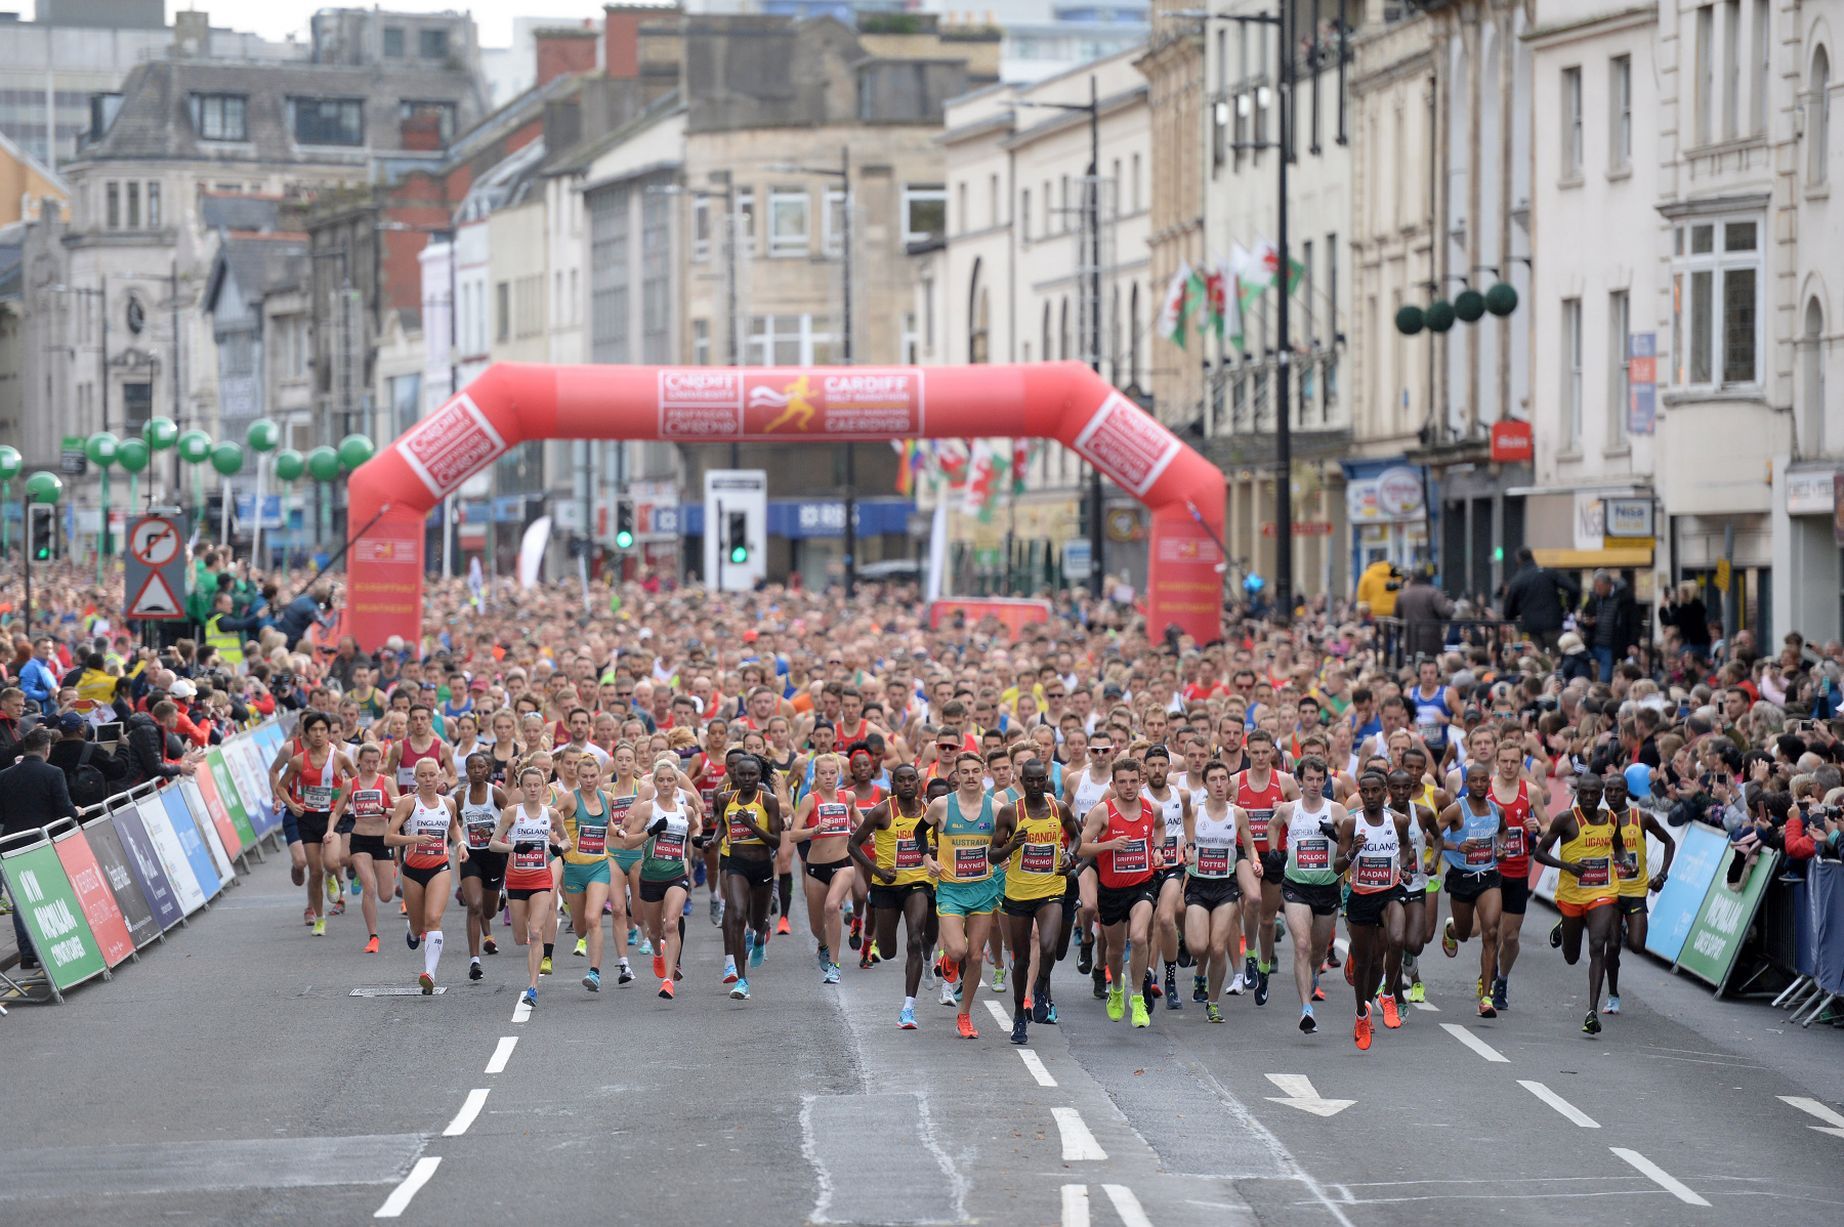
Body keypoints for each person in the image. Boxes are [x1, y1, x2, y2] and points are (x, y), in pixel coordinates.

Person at [991, 757, 1081, 1044]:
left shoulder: (1059, 808)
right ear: (1020, 780)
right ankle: (1019, 1013)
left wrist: (1070, 855)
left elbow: (1076, 836)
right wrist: (1010, 846)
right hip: (1018, 893)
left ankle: (1041, 985)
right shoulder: (1010, 812)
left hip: (1051, 888)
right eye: (1028, 780)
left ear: (1045, 779)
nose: (1034, 785)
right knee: (1021, 960)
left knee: (1048, 946)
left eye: (1039, 779)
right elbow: (991, 855)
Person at [915, 751, 1002, 1038]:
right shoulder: (941, 805)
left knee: (975, 957)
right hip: (951, 889)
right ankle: (949, 961)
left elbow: (1007, 839)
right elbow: (919, 831)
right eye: (965, 772)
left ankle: (964, 1015)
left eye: (975, 771)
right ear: (957, 777)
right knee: (957, 950)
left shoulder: (997, 808)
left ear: (983, 772)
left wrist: (1005, 856)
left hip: (983, 889)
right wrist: (927, 860)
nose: (971, 777)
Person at [1534, 772, 1624, 1035]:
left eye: (1593, 794)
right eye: (1583, 793)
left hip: (1603, 890)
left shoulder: (1611, 819)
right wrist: (1567, 866)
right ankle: (1564, 926)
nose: (1587, 798)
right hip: (1571, 894)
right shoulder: (1566, 819)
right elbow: (1539, 853)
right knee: (1572, 957)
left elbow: (1617, 847)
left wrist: (1624, 859)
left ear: (1602, 795)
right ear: (1577, 793)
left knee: (1598, 944)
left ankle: (1592, 1012)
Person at [1079, 755, 1161, 1029]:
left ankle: (1137, 996)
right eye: (1122, 782)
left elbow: (1160, 828)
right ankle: (1116, 989)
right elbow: (1080, 847)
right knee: (1115, 948)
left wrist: (1158, 850)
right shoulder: (1103, 811)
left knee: (1138, 937)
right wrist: (1108, 845)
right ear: (1113, 784)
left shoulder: (1151, 809)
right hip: (1111, 890)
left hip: (1142, 885)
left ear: (1141, 782)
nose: (1128, 787)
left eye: (1133, 781)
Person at [850, 763, 934, 1029]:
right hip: (885, 886)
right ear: (893, 785)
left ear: (919, 784)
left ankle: (908, 1007)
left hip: (918, 883)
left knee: (914, 940)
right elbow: (852, 844)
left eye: (912, 779)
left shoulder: (929, 812)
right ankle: (881, 947)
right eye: (902, 780)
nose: (907, 784)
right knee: (887, 951)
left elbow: (944, 841)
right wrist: (877, 871)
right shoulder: (882, 810)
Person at [1337, 771, 1416, 1048]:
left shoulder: (1399, 821)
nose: (1370, 797)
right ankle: (1361, 1012)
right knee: (1366, 961)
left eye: (1376, 791)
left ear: (1386, 792)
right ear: (1360, 792)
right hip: (1361, 895)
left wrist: (1402, 867)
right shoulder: (1351, 823)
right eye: (1365, 791)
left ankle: (1389, 996)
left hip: (1390, 891)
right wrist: (1352, 853)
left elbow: (1404, 846)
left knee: (1397, 940)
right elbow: (1337, 867)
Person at [1269, 756, 1347, 1035]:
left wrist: (1336, 837)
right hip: (1296, 886)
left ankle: (1313, 974)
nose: (1314, 784)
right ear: (1299, 781)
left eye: (1319, 779)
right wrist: (1275, 851)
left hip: (1327, 887)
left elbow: (1352, 843)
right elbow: (1273, 825)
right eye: (1309, 779)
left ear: (1325, 781)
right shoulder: (1290, 809)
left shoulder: (1337, 810)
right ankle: (1306, 1009)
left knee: (1315, 951)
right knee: (1301, 944)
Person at [619, 753, 702, 999]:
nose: (666, 784)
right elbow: (628, 843)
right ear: (654, 783)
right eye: (661, 780)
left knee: (672, 923)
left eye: (670, 780)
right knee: (654, 932)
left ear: (676, 782)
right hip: (651, 876)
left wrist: (696, 839)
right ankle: (657, 952)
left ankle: (668, 979)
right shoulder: (647, 808)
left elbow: (695, 822)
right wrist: (651, 832)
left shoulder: (685, 810)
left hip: (677, 873)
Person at [489, 765, 571, 1008]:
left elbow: (567, 841)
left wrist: (558, 849)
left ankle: (533, 987)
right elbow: (493, 844)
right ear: (521, 788)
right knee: (519, 936)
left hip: (540, 878)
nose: (533, 789)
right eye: (529, 785)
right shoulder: (512, 813)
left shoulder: (552, 814)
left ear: (544, 788)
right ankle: (507, 901)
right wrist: (515, 848)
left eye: (537, 785)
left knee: (536, 933)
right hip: (516, 879)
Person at [384, 757, 463, 994]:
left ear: (439, 777)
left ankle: (429, 973)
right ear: (415, 778)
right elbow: (389, 837)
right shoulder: (409, 804)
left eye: (432, 775)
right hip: (413, 870)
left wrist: (461, 845)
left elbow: (454, 827)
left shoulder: (448, 803)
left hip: (439, 867)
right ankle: (412, 930)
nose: (428, 780)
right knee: (419, 926)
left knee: (434, 919)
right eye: (423, 776)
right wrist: (414, 839)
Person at [0, 728, 76, 969]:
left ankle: (27, 953)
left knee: (21, 900)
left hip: (11, 842)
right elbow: (65, 808)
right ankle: (48, 948)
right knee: (47, 896)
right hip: (42, 842)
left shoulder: (4, 775)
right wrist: (76, 812)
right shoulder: (53, 772)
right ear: (47, 749)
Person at [1601, 771, 1676, 1015]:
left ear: (1626, 792)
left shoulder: (1641, 818)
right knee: (1612, 946)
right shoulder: (1599, 820)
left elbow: (1669, 842)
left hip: (1635, 892)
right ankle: (1612, 994)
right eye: (1609, 790)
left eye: (1618, 790)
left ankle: (1623, 928)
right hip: (1609, 893)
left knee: (1636, 945)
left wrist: (1662, 875)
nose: (1612, 794)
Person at [1436, 762, 1506, 1018]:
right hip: (1461, 878)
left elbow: (1503, 831)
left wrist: (1501, 847)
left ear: (1489, 782)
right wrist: (1457, 847)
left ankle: (1486, 997)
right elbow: (1434, 835)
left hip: (1489, 876)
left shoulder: (1496, 810)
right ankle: (1452, 929)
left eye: (1483, 780)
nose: (1478, 785)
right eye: (1473, 780)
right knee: (1465, 934)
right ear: (1467, 783)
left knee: (1491, 932)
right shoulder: (1457, 809)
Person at [783, 752, 859, 985]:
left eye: (832, 773)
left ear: (839, 774)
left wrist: (866, 834)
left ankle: (835, 966)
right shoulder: (809, 800)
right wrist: (814, 830)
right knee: (816, 926)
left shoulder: (848, 797)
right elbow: (794, 834)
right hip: (815, 867)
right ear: (815, 775)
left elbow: (863, 824)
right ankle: (824, 945)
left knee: (831, 907)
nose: (828, 777)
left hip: (843, 864)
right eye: (823, 773)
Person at [275, 712, 353, 936]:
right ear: (306, 733)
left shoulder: (339, 757)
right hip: (307, 818)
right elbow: (281, 787)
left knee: (331, 862)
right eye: (314, 730)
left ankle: (332, 876)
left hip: (332, 816)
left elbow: (357, 782)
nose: (318, 734)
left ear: (328, 732)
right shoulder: (298, 760)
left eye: (322, 730)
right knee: (315, 871)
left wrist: (347, 803)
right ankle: (320, 918)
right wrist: (291, 804)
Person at [1183, 759, 1247, 1023]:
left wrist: (1254, 862)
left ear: (1229, 783)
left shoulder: (1238, 814)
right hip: (1198, 884)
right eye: (1214, 779)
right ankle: (1200, 970)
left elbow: (1250, 845)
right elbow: (1185, 839)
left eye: (1224, 779)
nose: (1220, 784)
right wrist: (1187, 850)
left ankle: (1213, 1002)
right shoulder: (1195, 813)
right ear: (1205, 784)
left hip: (1225, 886)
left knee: (1218, 947)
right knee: (1199, 946)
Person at [713, 753, 781, 999]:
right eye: (742, 774)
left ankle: (760, 936)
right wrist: (712, 841)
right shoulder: (725, 798)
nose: (747, 778)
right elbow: (723, 824)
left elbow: (776, 841)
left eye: (752, 774)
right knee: (737, 914)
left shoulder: (768, 801)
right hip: (737, 865)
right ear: (735, 775)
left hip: (762, 866)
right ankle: (741, 981)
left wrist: (752, 826)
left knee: (757, 921)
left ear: (759, 774)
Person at [556, 754, 624, 991]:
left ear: (600, 776)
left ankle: (594, 972)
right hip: (574, 869)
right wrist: (560, 841)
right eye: (583, 776)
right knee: (580, 926)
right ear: (577, 777)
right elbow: (549, 819)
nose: (588, 780)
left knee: (593, 918)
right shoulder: (569, 799)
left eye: (592, 776)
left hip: (599, 866)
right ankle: (581, 936)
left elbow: (609, 825)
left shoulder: (608, 798)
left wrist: (619, 832)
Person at [1141, 744, 1192, 1010]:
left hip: (1173, 865)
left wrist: (1191, 844)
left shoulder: (1180, 795)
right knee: (1146, 927)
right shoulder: (1137, 797)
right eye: (1153, 765)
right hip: (1144, 868)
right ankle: (1147, 976)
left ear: (1169, 768)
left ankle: (1170, 980)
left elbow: (1188, 817)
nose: (1158, 770)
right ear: (1144, 768)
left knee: (1165, 918)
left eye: (1162, 765)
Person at [454, 751, 507, 979]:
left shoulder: (496, 794)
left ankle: (499, 895)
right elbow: (454, 823)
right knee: (474, 906)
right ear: (466, 771)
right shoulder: (459, 797)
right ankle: (474, 961)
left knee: (489, 910)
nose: (477, 771)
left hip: (494, 856)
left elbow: (513, 816)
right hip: (471, 856)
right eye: (472, 767)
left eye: (481, 767)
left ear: (487, 770)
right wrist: (459, 842)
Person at [343, 742, 400, 954]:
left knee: (385, 895)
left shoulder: (387, 782)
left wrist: (384, 809)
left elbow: (400, 810)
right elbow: (337, 810)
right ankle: (373, 936)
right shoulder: (350, 784)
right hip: (359, 839)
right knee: (369, 887)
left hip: (382, 840)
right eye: (367, 761)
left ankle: (387, 872)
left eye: (375, 762)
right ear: (359, 761)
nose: (371, 765)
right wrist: (331, 830)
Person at [1500, 548, 1579, 651]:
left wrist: (1516, 614)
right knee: (1558, 657)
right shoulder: (1548, 573)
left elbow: (1508, 610)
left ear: (1518, 560)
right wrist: (1568, 609)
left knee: (1536, 658)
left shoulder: (1517, 580)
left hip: (1531, 628)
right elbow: (1573, 589)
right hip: (1553, 624)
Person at [1579, 570, 1639, 683]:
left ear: (1608, 585)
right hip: (1593, 644)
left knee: (1604, 679)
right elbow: (1585, 618)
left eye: (1600, 587)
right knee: (1586, 675)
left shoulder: (1624, 598)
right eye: (1595, 587)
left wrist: (1633, 642)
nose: (1597, 590)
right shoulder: (1594, 598)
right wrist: (1586, 623)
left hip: (1611, 646)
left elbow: (1634, 622)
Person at [1394, 570, 1454, 663]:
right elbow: (1445, 612)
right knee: (1430, 666)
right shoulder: (1433, 592)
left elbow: (1397, 620)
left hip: (1409, 640)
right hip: (1431, 640)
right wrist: (1450, 604)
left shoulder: (1402, 594)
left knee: (1412, 665)